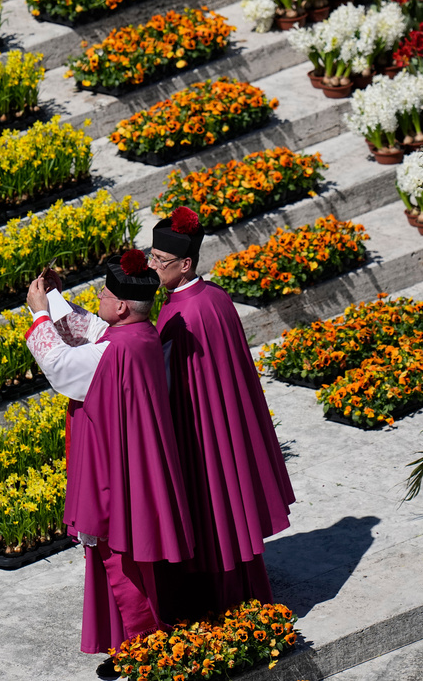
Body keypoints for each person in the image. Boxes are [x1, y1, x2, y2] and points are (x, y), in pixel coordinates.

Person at [24, 251, 194, 677]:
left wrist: (40, 315)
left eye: (102, 293)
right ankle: (130, 638)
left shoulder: (113, 352)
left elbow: (61, 366)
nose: (97, 298)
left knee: (117, 556)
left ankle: (143, 643)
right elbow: (94, 329)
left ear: (121, 305)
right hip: (130, 458)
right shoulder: (139, 335)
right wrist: (58, 300)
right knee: (123, 555)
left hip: (110, 467)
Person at [148, 206, 295, 620]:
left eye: (160, 261)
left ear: (186, 263)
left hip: (196, 430)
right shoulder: (216, 297)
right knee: (230, 504)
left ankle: (217, 603)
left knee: (211, 510)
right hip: (225, 422)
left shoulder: (181, 312)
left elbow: (170, 384)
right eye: (152, 257)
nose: (153, 266)